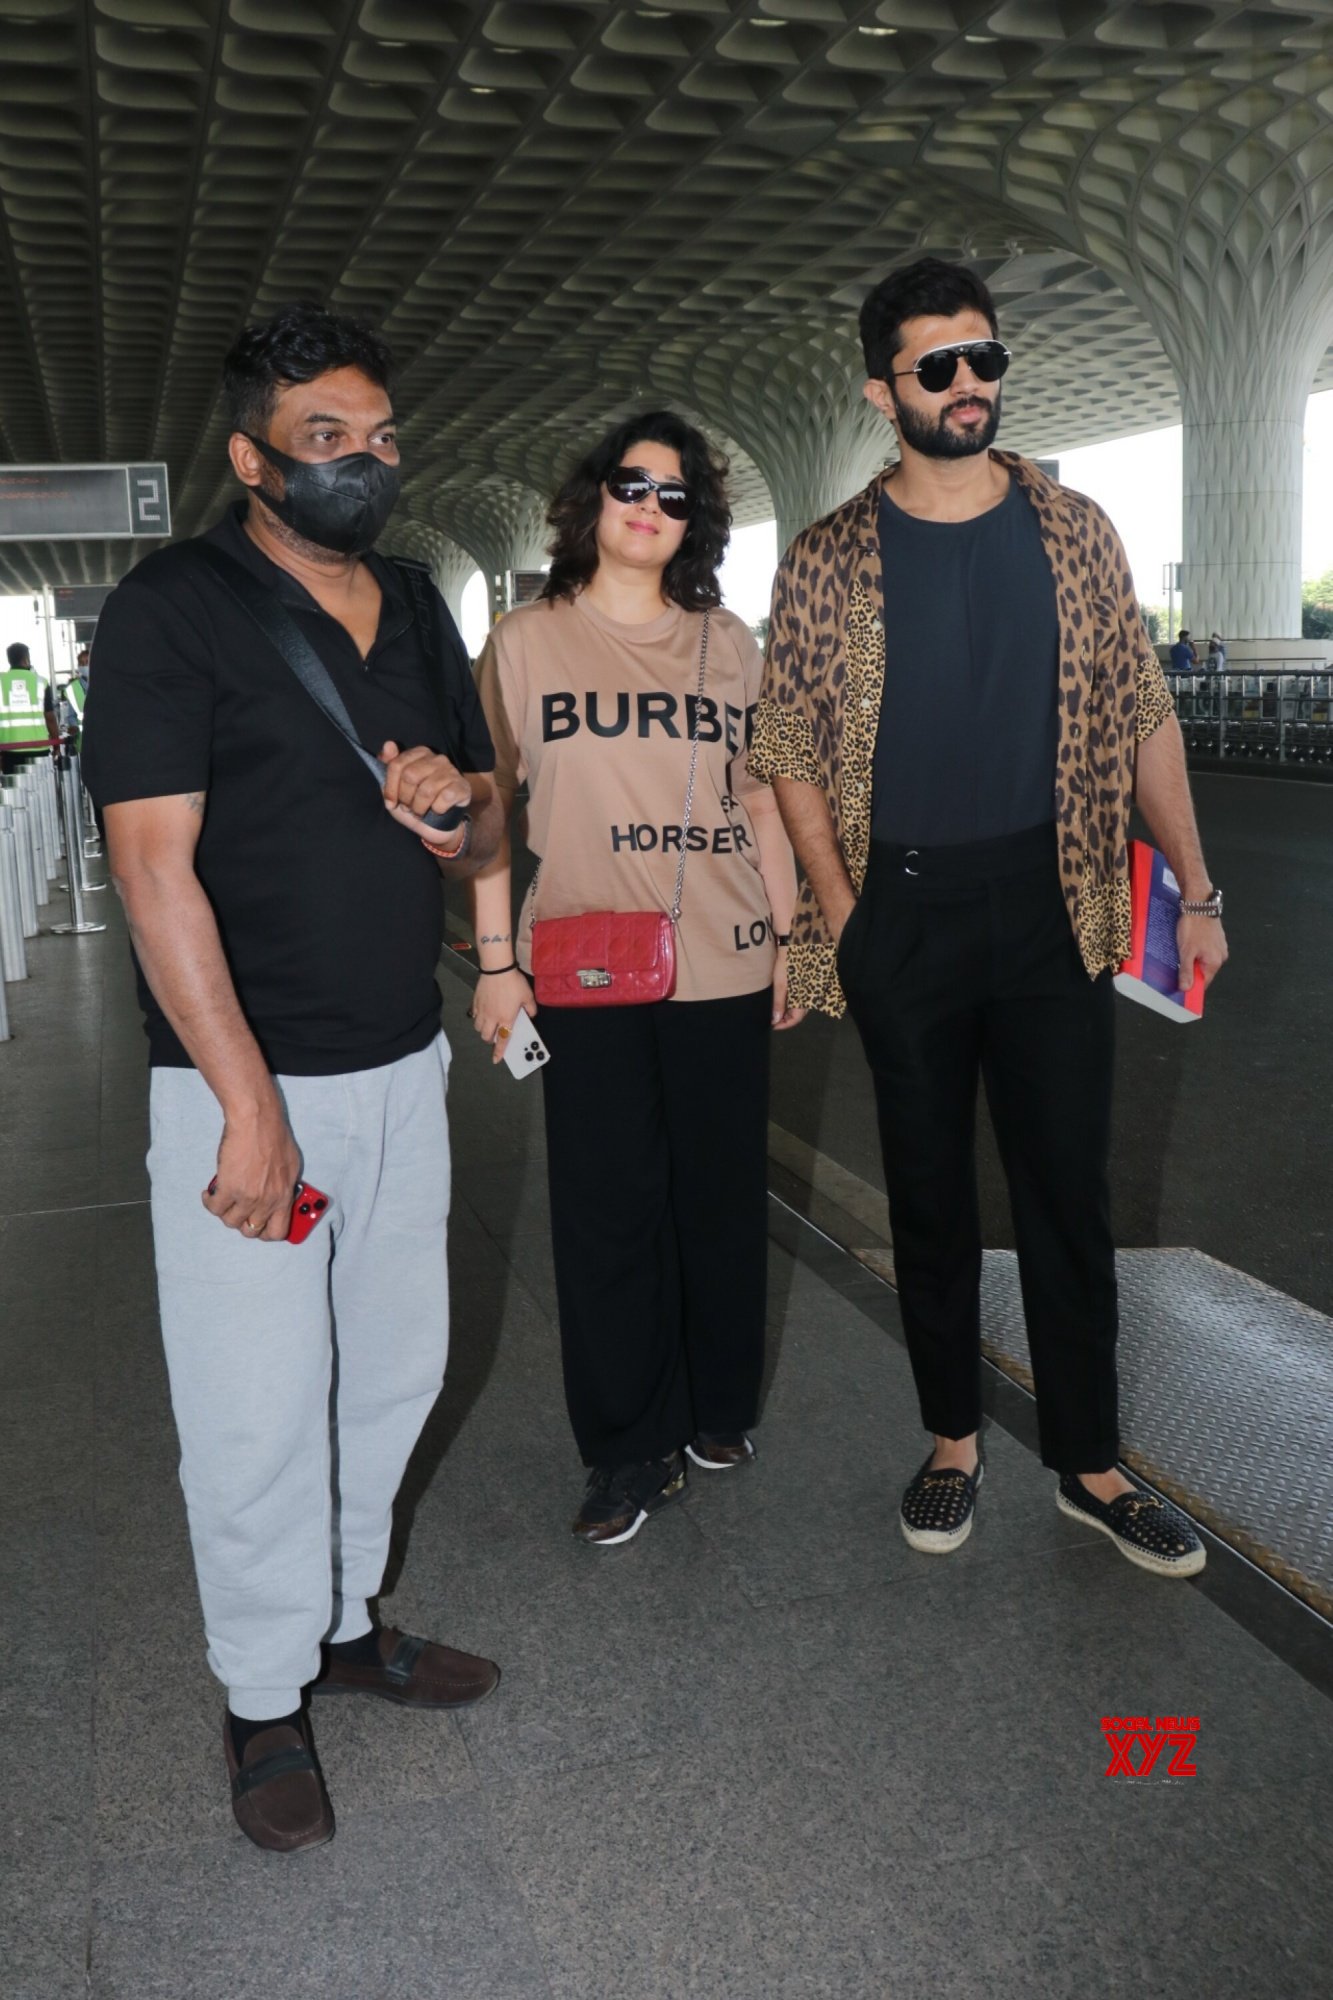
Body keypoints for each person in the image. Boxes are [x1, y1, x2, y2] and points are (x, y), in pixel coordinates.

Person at [83, 303, 505, 1853]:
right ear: (254, 457)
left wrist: (459, 807)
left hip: (403, 1065)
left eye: (382, 435)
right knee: (256, 1406)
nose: (366, 463)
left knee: (390, 1377)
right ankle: (262, 1701)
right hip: (236, 1087)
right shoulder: (172, 608)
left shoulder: (414, 605)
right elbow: (151, 869)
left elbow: (487, 834)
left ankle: (338, 1624)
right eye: (327, 438)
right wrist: (246, 1106)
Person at [751, 257, 1228, 1578]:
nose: (971, 386)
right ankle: (951, 1442)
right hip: (898, 912)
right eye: (938, 366)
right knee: (928, 1195)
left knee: (1067, 1194)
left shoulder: (1073, 530)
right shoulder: (830, 555)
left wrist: (1196, 888)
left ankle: (1092, 1464)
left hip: (1053, 905)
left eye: (985, 358)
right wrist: (841, 910)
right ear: (881, 390)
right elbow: (784, 736)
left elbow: (1141, 713)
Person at [468, 410, 802, 1546]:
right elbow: (485, 815)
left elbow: (758, 799)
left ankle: (716, 1406)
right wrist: (496, 961)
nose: (649, 508)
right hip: (584, 964)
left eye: (674, 497)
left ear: (693, 523)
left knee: (715, 1199)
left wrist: (793, 936)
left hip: (722, 955)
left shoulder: (728, 642)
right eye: (632, 485)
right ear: (591, 499)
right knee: (609, 1213)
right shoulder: (524, 642)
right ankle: (625, 1446)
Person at [0, 641, 59, 773]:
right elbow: (49, 717)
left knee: (15, 791)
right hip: (39, 748)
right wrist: (56, 745)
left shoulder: (1, 682)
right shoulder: (40, 682)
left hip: (9, 749)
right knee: (41, 789)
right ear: (26, 659)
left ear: (9, 660)